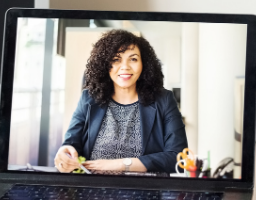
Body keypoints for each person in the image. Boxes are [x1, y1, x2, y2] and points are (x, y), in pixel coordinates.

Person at [54, 29, 187, 174]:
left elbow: (178, 158)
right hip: (94, 191)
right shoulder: (88, 98)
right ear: (105, 64)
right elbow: (71, 143)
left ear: (144, 64)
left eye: (133, 59)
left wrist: (121, 164)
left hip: (145, 193)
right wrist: (64, 153)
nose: (125, 67)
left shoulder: (164, 100)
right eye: (116, 59)